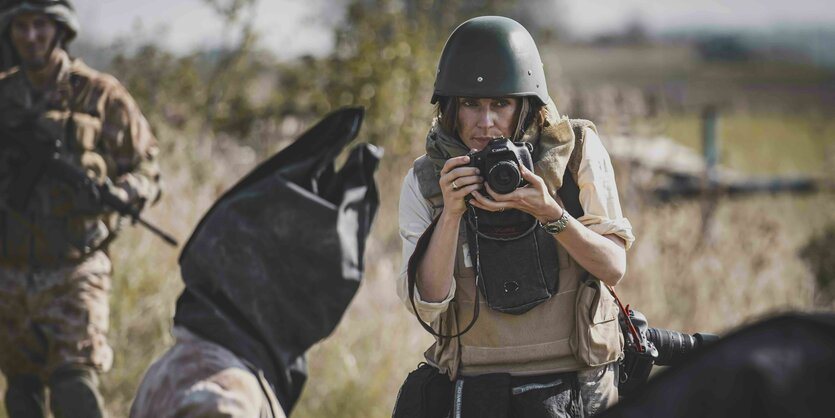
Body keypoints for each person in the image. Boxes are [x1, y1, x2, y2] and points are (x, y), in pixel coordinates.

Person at [396, 16, 635, 417]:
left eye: (500, 104)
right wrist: (451, 214)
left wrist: (549, 212)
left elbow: (613, 268)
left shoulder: (574, 155)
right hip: (474, 389)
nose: (485, 122)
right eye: (471, 104)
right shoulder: (428, 178)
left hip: (577, 383)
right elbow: (428, 305)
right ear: (451, 108)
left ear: (526, 107)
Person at [0, 1, 161, 417]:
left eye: (40, 25)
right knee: (21, 393)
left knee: (75, 390)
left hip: (75, 270)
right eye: (21, 26)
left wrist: (125, 193)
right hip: (9, 272)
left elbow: (146, 166)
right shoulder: (4, 96)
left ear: (59, 29)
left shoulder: (99, 94)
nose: (31, 37)